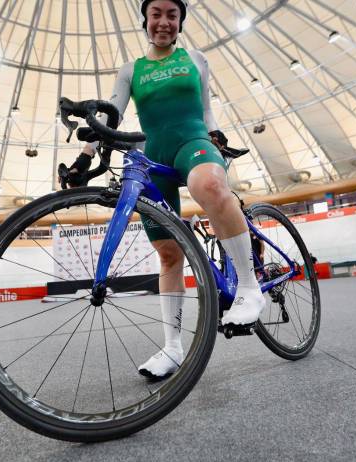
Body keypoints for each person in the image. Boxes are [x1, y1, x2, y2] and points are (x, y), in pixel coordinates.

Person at [67, 0, 264, 379]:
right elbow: (112, 114)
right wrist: (84, 156)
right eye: (156, 14)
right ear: (145, 20)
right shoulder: (131, 70)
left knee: (208, 184)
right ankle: (172, 347)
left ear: (179, 22)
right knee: (169, 254)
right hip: (153, 155)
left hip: (193, 141)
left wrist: (215, 133)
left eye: (172, 15)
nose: (163, 22)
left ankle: (249, 288)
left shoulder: (196, 59)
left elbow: (206, 109)